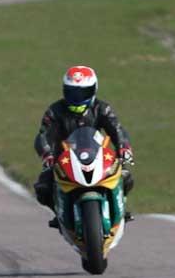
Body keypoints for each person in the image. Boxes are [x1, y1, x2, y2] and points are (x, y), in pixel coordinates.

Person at [34, 66, 135, 228]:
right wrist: (47, 154)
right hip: (63, 160)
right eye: (72, 92)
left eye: (83, 93)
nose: (77, 97)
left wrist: (124, 147)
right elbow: (43, 135)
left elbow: (117, 129)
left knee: (126, 176)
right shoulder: (54, 111)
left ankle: (120, 209)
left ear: (94, 90)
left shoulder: (102, 108)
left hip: (98, 155)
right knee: (43, 187)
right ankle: (60, 215)